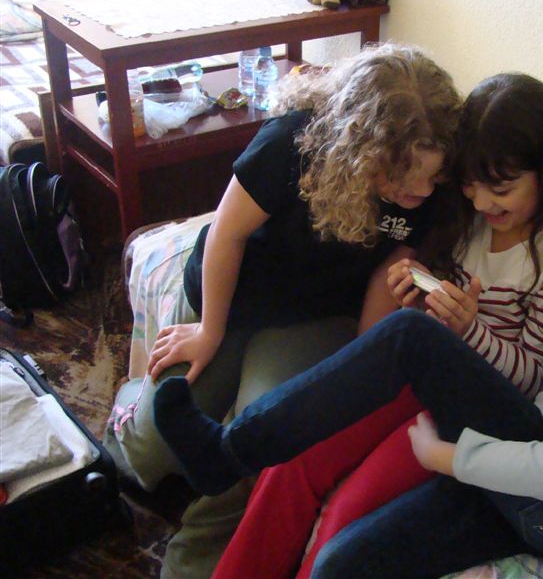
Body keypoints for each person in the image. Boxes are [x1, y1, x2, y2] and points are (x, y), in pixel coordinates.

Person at [153, 108, 543, 577]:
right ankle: (229, 458)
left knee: (410, 339)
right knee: (344, 562)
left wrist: (451, 457)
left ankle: (227, 453)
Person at [211, 73, 543, 579]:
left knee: (346, 512)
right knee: (289, 464)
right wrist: (415, 288)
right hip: (415, 376)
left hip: (470, 408)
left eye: (501, 189)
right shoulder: (464, 221)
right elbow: (411, 303)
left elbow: (529, 381)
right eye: (470, 186)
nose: (483, 203)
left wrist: (468, 330)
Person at [103, 42, 462, 493]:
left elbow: (384, 273)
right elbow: (227, 233)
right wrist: (210, 331)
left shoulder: (426, 190)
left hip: (311, 316)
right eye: (402, 179)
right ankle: (131, 403)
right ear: (359, 151)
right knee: (152, 452)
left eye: (433, 177)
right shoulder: (290, 142)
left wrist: (359, 365)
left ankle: (203, 531)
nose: (422, 191)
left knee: (263, 439)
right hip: (231, 296)